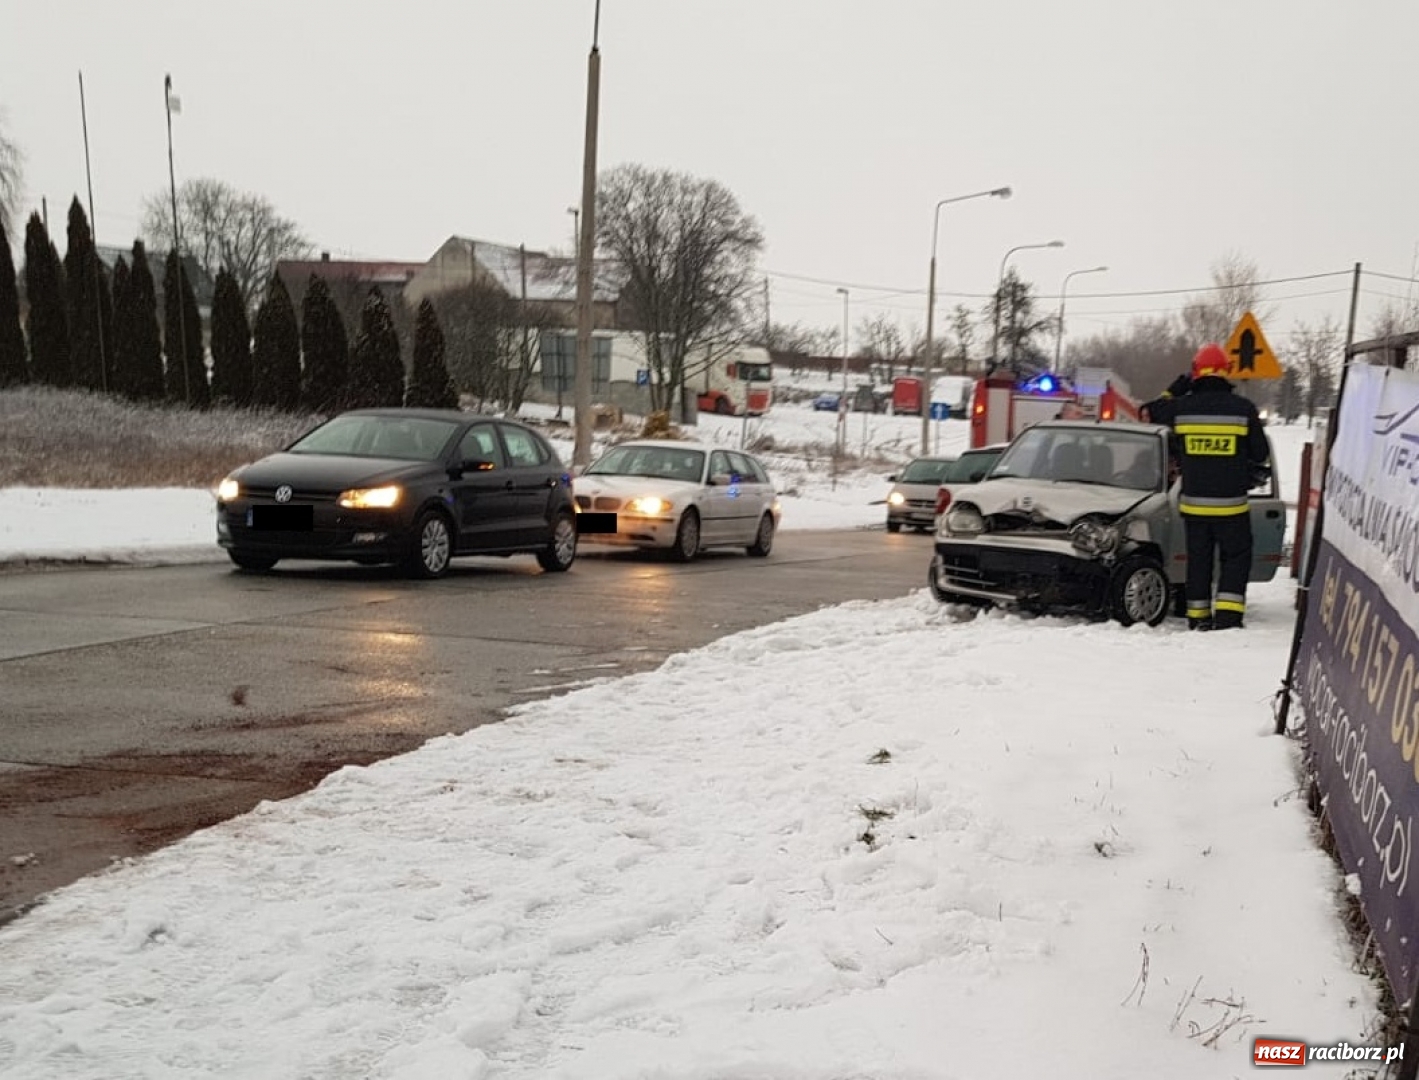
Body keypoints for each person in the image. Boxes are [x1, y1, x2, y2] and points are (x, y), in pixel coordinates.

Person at [1142, 343, 1270, 630]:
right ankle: (1228, 618)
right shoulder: (1243, 409)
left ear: (1195, 374)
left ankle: (1198, 619)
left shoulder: (1181, 408)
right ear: (1226, 372)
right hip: (1232, 506)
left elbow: (1150, 411)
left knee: (1198, 562)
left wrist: (1173, 390)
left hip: (1195, 506)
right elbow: (1260, 453)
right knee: (1235, 559)